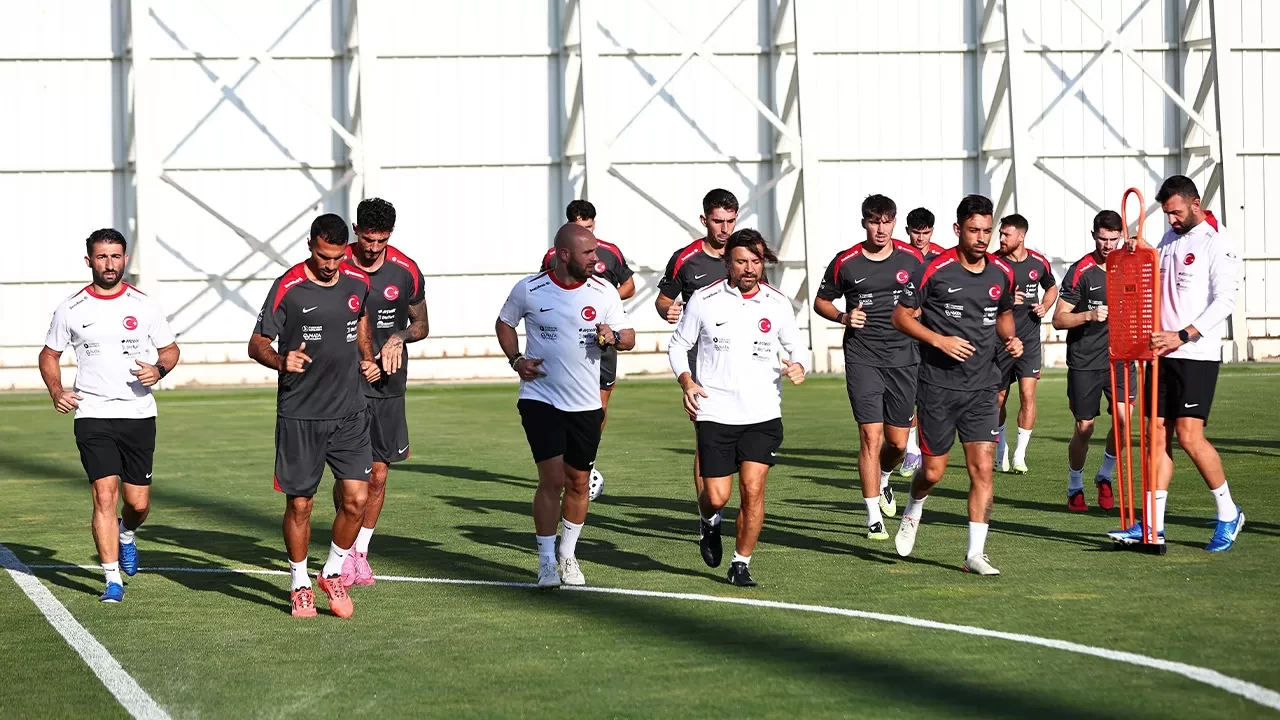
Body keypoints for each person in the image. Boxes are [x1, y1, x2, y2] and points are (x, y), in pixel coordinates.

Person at [248, 213, 381, 618]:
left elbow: (360, 319)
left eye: (338, 257)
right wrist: (281, 360)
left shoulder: (357, 281)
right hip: (301, 414)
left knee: (357, 499)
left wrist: (366, 356)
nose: (331, 265)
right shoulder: (287, 287)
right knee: (301, 505)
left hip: (350, 412)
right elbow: (257, 343)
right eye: (324, 256)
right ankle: (300, 582)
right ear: (310, 246)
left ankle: (333, 572)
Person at [38, 229, 180, 603]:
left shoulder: (145, 305)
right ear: (89, 261)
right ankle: (112, 580)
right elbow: (49, 354)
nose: (109, 264)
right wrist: (57, 391)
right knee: (104, 494)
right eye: (102, 257)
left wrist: (158, 371)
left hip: (138, 414)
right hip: (93, 414)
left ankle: (127, 534)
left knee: (138, 504)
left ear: (125, 259)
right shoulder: (71, 308)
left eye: (115, 256)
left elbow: (170, 350)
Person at [1109, 175, 1244, 551]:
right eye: (1167, 213)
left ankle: (1229, 514)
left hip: (1194, 354)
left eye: (1176, 212)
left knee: (1188, 436)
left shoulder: (1218, 242)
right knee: (1155, 435)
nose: (1171, 219)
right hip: (1159, 354)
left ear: (1195, 203)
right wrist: (1139, 251)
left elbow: (1225, 301)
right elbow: (1155, 281)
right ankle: (1152, 524)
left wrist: (1183, 335)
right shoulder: (1169, 238)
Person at [497, 223, 635, 587]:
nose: (596, 260)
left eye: (595, 252)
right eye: (588, 253)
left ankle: (568, 555)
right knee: (553, 479)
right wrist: (516, 360)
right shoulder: (529, 288)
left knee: (578, 482)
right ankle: (546, 562)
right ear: (563, 255)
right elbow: (504, 323)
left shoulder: (604, 291)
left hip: (586, 404)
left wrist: (613, 336)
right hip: (540, 398)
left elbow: (629, 337)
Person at [668, 229, 808, 587]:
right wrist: (687, 382)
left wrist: (798, 365)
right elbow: (678, 345)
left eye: (756, 261)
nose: (749, 268)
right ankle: (709, 521)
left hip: (763, 414)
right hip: (715, 412)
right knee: (717, 496)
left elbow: (797, 346)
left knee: (753, 490)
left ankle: (740, 563)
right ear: (727, 262)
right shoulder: (704, 299)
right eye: (742, 261)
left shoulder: (777, 303)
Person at [891, 194, 1021, 576]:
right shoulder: (935, 269)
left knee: (983, 469)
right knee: (933, 472)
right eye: (974, 230)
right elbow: (901, 317)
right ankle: (913, 508)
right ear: (957, 229)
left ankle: (974, 554)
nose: (982, 238)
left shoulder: (1001, 272)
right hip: (938, 386)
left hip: (983, 387)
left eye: (987, 230)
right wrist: (939, 341)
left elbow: (1004, 314)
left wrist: (1010, 338)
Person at [814, 194, 923, 539]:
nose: (881, 229)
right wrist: (843, 316)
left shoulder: (913, 258)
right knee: (870, 436)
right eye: (875, 222)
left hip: (904, 357)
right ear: (864, 223)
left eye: (887, 222)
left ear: (894, 223)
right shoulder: (845, 261)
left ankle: (885, 479)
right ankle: (873, 516)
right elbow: (821, 302)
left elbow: (928, 298)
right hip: (863, 357)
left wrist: (919, 315)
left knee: (898, 444)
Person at [334, 198, 428, 587]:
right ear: (356, 231)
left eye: (381, 240)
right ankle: (340, 552)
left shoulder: (406, 271)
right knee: (348, 475)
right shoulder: (335, 264)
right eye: (368, 239)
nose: (373, 248)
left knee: (378, 474)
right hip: (343, 383)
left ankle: (360, 553)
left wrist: (399, 337)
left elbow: (421, 325)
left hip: (388, 383)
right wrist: (359, 358)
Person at [540, 199, 635, 499]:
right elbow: (544, 290)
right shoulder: (553, 256)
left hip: (603, 340)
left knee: (599, 409)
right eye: (579, 227)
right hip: (566, 344)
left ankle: (586, 460)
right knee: (562, 407)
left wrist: (604, 301)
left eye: (590, 227)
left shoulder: (610, 252)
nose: (586, 233)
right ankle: (566, 462)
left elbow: (630, 286)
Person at [655, 188, 739, 527]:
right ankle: (709, 516)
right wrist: (668, 310)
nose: (725, 229)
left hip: (741, 360)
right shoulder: (685, 258)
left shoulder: (744, 255)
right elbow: (664, 299)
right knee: (708, 435)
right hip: (699, 361)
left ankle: (722, 497)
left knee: (740, 437)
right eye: (718, 221)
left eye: (730, 221)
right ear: (705, 220)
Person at [1054, 211, 1131, 512]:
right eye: (1103, 238)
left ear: (1121, 237)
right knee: (1085, 427)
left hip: (1121, 359)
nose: (1108, 245)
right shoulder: (1081, 271)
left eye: (1114, 239)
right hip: (1085, 361)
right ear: (1093, 236)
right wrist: (1088, 315)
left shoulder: (1129, 264)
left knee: (1124, 421)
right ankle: (1075, 485)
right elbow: (1059, 319)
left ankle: (1105, 476)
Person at [993, 214, 1057, 474]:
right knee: (998, 398)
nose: (1001, 238)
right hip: (1001, 341)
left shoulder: (1038, 263)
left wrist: (1046, 305)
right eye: (1001, 233)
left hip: (1029, 340)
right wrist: (1006, 300)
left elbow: (1052, 287)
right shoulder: (993, 263)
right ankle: (1001, 449)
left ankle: (1019, 454)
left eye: (1006, 234)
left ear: (1021, 236)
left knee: (1028, 395)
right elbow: (981, 297)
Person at [899, 207, 945, 477]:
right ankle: (912, 450)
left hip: (936, 336)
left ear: (932, 231)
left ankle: (928, 448)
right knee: (910, 394)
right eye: (916, 232)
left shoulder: (942, 257)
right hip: (906, 336)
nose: (920, 238)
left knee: (933, 396)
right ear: (907, 230)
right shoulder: (899, 256)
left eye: (925, 232)